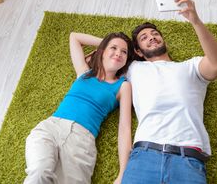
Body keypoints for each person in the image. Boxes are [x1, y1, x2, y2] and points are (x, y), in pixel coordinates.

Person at [122, 0, 217, 184]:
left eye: (155, 34)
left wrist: (195, 20)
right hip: (143, 158)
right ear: (137, 51)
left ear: (164, 41)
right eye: (144, 38)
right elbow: (98, 58)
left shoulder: (190, 67)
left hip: (187, 160)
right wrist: (122, 46)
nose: (152, 38)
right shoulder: (134, 69)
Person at [24, 31, 134, 184]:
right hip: (52, 128)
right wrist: (106, 43)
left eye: (124, 52)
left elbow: (124, 128)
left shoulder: (123, 86)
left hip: (82, 142)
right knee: (40, 172)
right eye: (113, 48)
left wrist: (123, 172)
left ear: (126, 60)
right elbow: (74, 37)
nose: (118, 53)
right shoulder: (84, 72)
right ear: (102, 51)